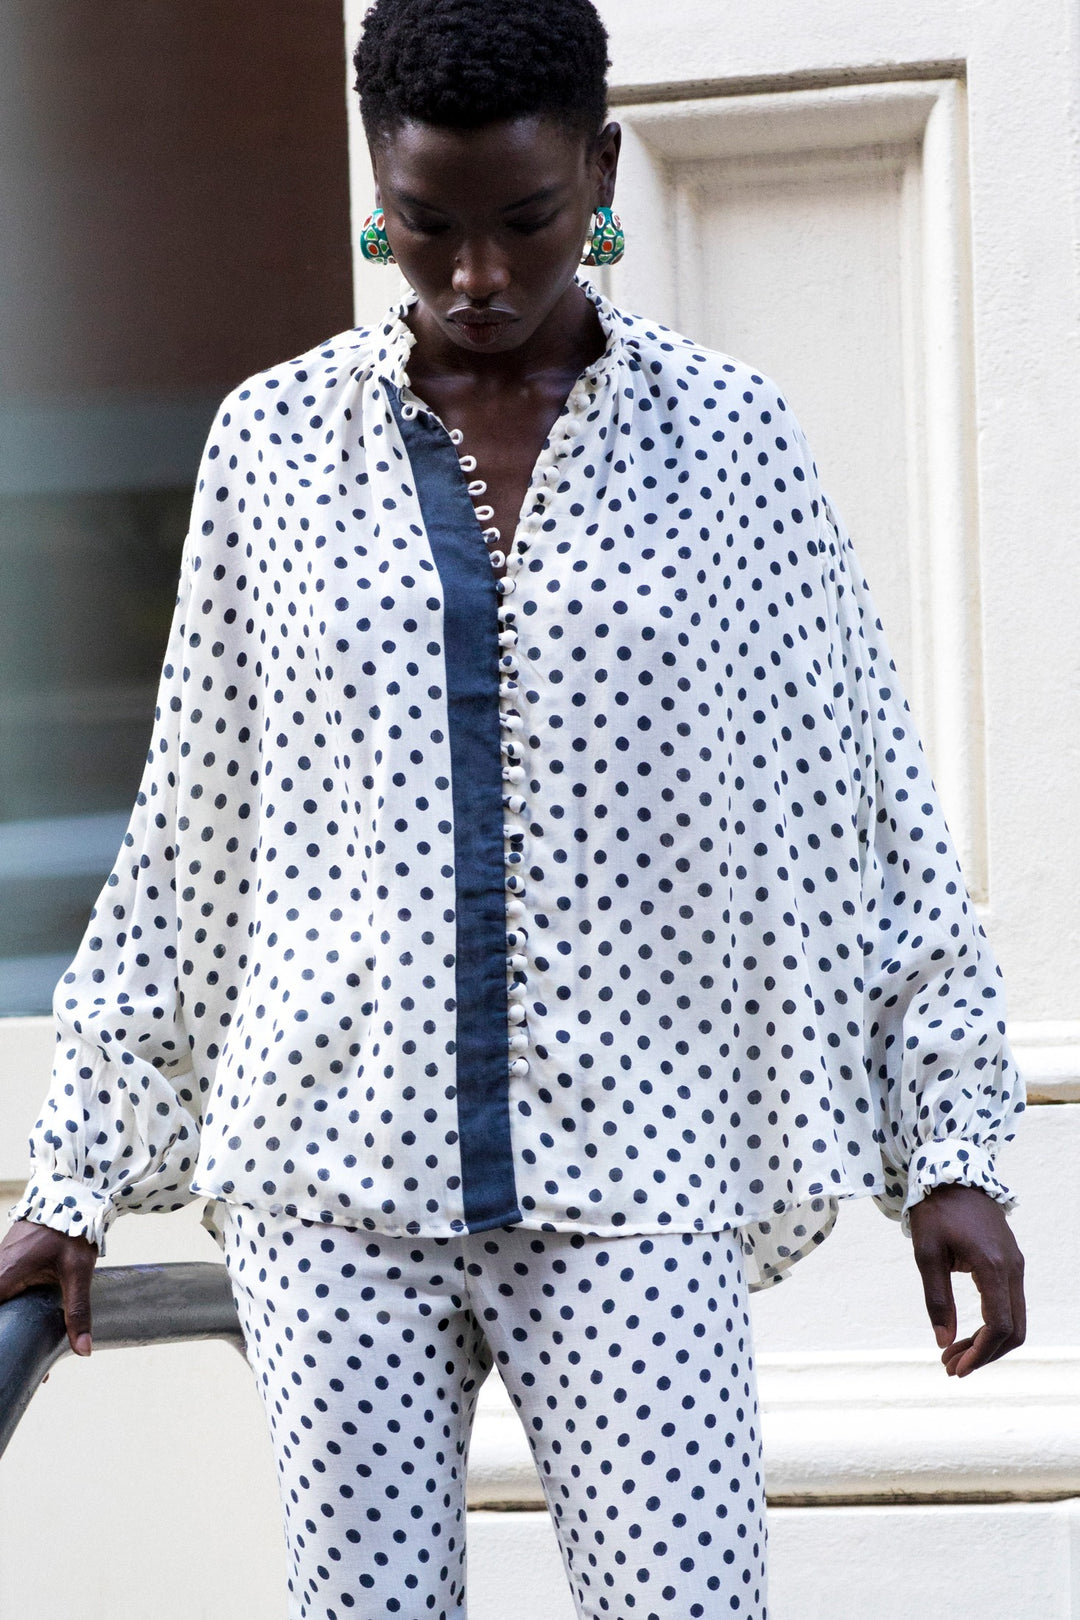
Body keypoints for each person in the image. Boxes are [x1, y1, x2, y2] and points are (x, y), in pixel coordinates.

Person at [0, 1, 1026, 1615]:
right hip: (331, 1179)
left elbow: (865, 801)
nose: (475, 274)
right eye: (427, 227)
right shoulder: (270, 448)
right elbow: (189, 836)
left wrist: (953, 1146)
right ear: (376, 190)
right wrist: (69, 1181)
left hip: (645, 1172)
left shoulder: (735, 446)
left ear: (602, 170)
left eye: (527, 222)